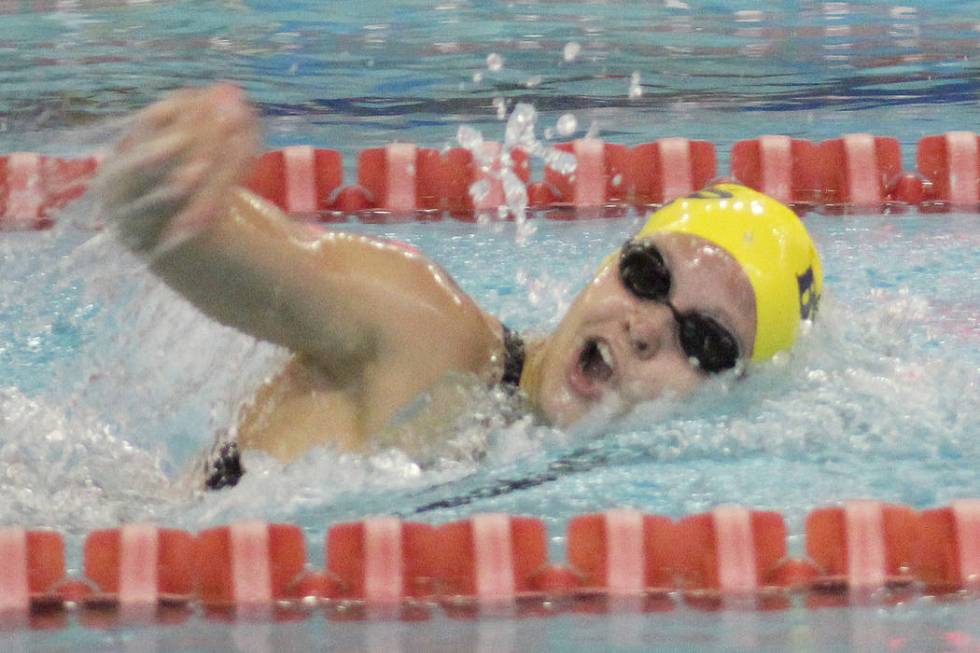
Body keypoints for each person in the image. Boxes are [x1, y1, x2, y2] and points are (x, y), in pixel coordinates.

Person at [96, 84, 823, 490]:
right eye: (646, 275)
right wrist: (168, 177)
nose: (645, 324)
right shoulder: (425, 331)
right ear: (605, 265)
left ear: (735, 394)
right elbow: (192, 239)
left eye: (703, 339)